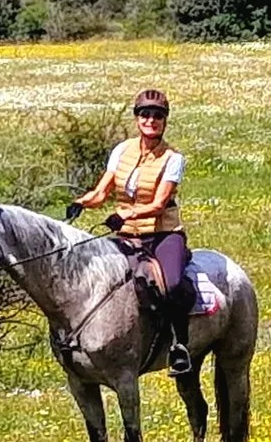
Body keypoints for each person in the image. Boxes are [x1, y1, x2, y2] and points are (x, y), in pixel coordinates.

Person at [69, 88, 194, 375]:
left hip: (163, 234)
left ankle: (179, 345)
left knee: (171, 283)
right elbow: (102, 192)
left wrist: (125, 214)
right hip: (127, 234)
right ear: (137, 118)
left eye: (158, 115)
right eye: (145, 114)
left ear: (165, 121)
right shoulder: (121, 151)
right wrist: (81, 203)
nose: (151, 120)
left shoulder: (173, 158)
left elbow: (159, 204)